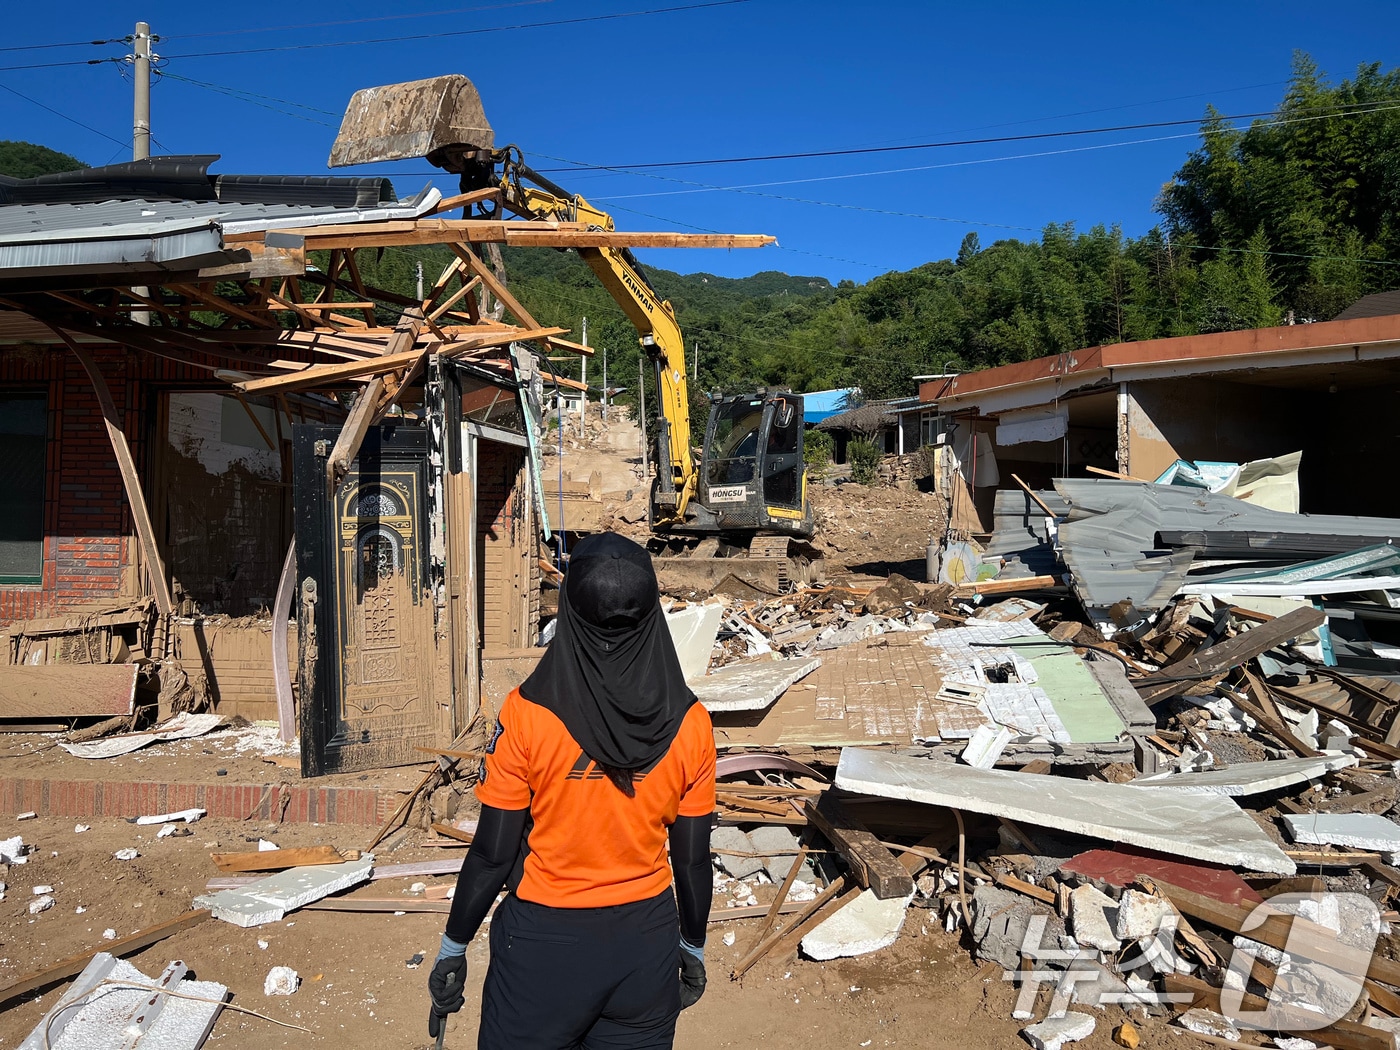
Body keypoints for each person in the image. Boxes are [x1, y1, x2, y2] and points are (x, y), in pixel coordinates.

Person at [427, 532, 716, 1049]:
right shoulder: (691, 724)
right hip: (644, 947)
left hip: (544, 948)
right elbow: (692, 861)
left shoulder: (527, 715)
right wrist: (692, 946)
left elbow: (493, 854)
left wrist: (454, 946)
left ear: (570, 612)